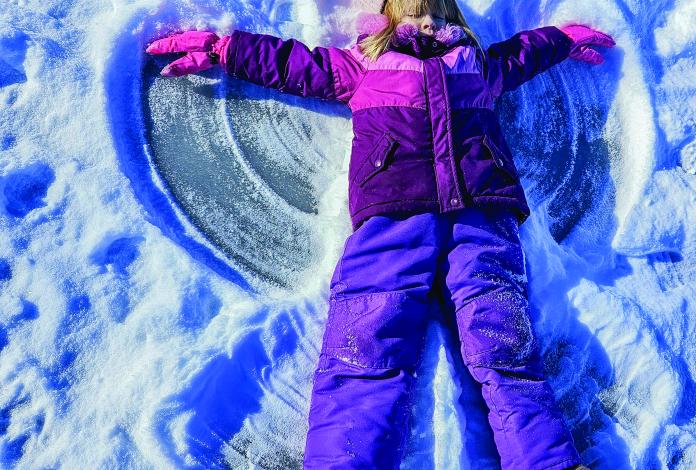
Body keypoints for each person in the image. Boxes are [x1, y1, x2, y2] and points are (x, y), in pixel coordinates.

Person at [147, 0, 614, 468]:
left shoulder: (479, 65)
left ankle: (549, 461)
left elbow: (523, 54)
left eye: (441, 12)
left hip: (483, 216)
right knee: (366, 341)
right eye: (414, 12)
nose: (430, 21)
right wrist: (222, 48)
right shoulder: (365, 65)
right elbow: (291, 64)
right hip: (393, 212)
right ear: (391, 18)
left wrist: (564, 40)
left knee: (503, 344)